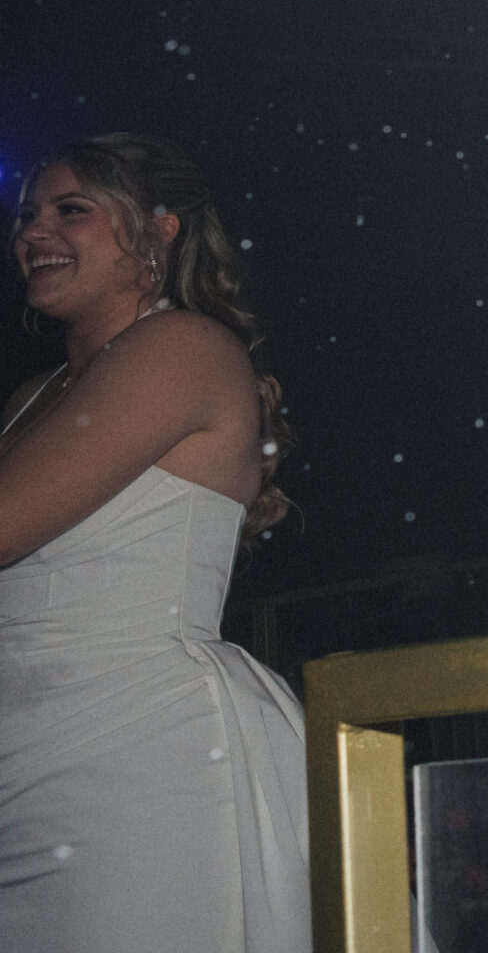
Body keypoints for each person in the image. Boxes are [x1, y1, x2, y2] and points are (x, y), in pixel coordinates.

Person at [0, 133, 308, 952]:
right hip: (24, 745)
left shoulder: (182, 348)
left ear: (158, 230)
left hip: (137, 745)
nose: (32, 232)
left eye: (72, 210)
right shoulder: (33, 396)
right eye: (26, 214)